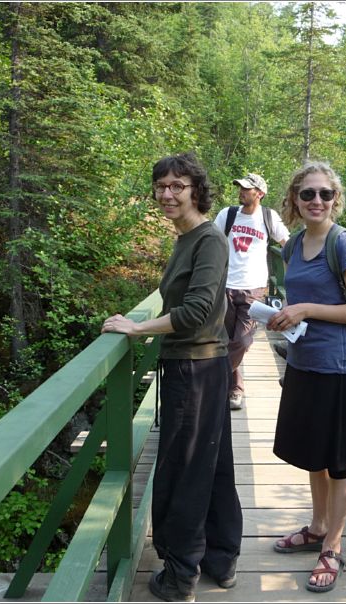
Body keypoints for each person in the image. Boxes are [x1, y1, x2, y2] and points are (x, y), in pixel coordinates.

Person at [102, 153, 242, 603]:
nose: (167, 194)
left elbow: (197, 311)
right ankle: (220, 561)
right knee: (213, 466)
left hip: (195, 368)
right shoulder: (187, 238)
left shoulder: (209, 241)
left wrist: (138, 327)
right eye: (161, 186)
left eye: (177, 186)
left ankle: (181, 574)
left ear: (196, 190)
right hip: (206, 365)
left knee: (184, 471)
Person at [265, 161, 346, 594]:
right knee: (313, 454)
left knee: (340, 460)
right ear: (293, 199)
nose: (316, 201)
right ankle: (316, 526)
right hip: (303, 362)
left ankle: (332, 545)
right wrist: (284, 317)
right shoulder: (292, 246)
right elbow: (301, 300)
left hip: (339, 367)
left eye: (324, 194)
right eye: (307, 194)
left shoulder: (342, 243)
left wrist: (306, 310)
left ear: (335, 199)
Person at [213, 173, 289, 410]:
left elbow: (287, 244)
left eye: (247, 188)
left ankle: (212, 381)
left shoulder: (268, 217)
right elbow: (210, 243)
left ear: (260, 193)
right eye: (240, 187)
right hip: (225, 286)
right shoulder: (227, 215)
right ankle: (235, 389)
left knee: (243, 341)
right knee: (227, 341)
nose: (242, 191)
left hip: (254, 289)